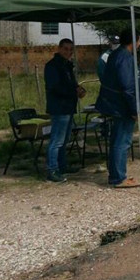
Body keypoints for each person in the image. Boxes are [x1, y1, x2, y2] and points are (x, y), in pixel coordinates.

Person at [96, 29, 140, 188]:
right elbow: (127, 87)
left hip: (117, 105)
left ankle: (116, 175)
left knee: (117, 140)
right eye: (139, 40)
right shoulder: (125, 58)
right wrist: (134, 109)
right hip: (122, 107)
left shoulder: (117, 55)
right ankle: (118, 177)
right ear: (133, 41)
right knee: (121, 142)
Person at [44, 38, 86, 182]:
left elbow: (71, 84)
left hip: (68, 107)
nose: (68, 52)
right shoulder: (53, 66)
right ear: (59, 49)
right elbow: (54, 87)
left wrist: (80, 90)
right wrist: (73, 92)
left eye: (70, 49)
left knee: (64, 139)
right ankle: (52, 169)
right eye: (65, 49)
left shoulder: (67, 65)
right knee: (57, 140)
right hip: (59, 107)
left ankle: (62, 165)